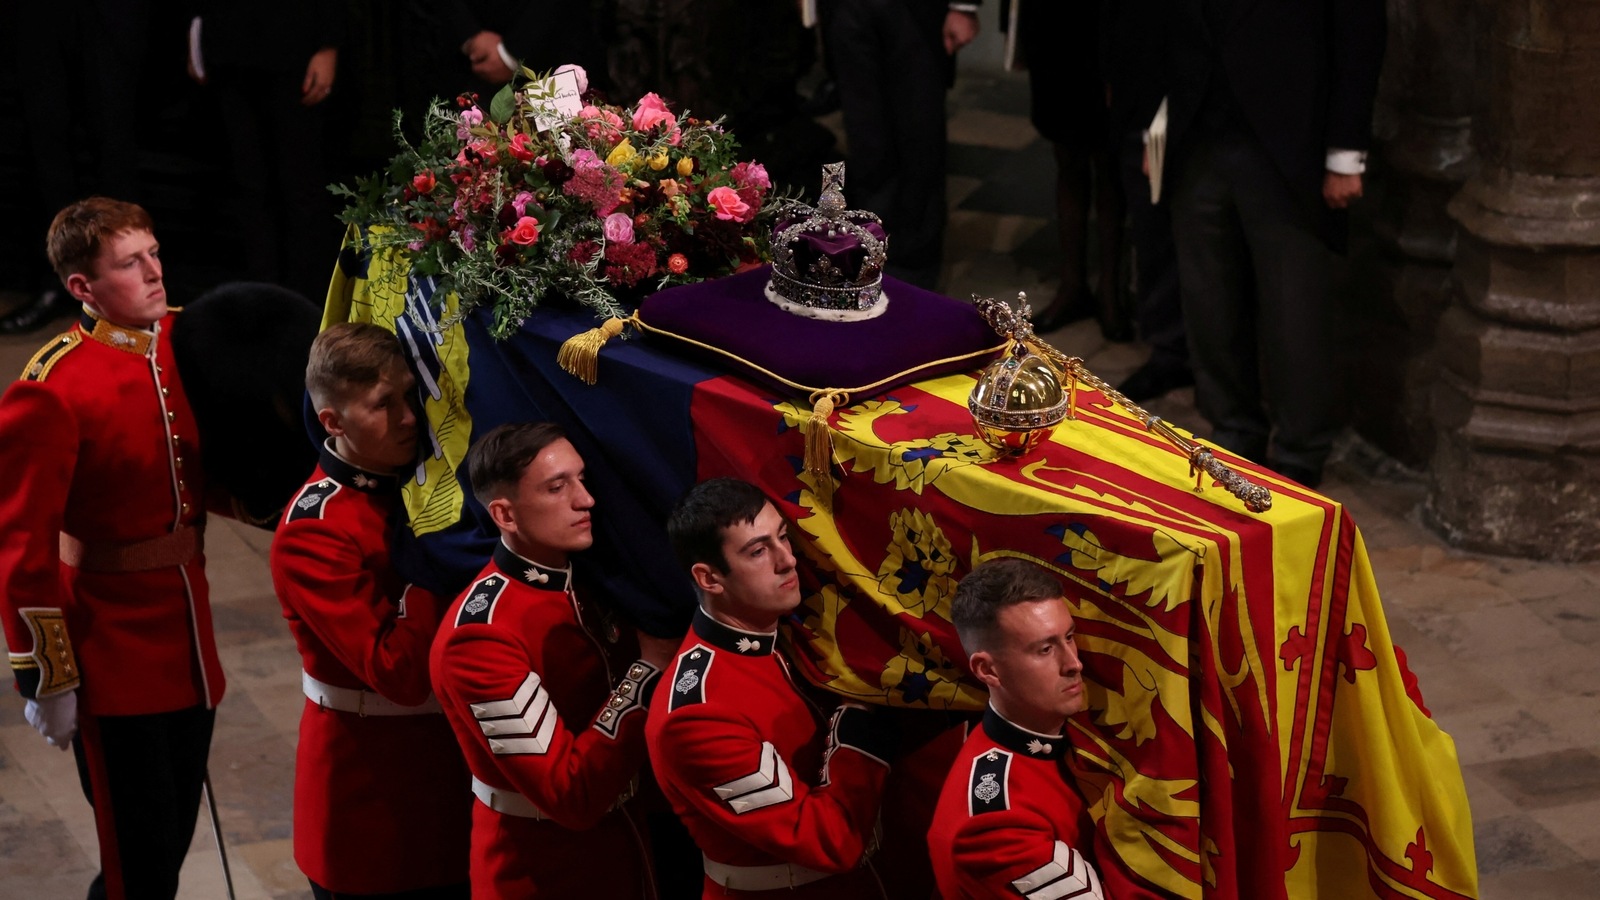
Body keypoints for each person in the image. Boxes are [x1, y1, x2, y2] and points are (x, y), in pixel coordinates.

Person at [0, 197, 225, 899]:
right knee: (139, 864)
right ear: (82, 288)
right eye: (130, 264)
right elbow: (20, 545)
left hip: (189, 635)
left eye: (154, 253)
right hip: (112, 651)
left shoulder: (184, 342)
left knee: (171, 841)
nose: (155, 272)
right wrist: (45, 672)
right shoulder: (54, 387)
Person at [429, 422, 676, 897]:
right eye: (557, 487)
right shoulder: (480, 638)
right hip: (544, 870)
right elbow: (570, 792)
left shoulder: (585, 576)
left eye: (581, 480)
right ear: (505, 513)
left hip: (626, 846)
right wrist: (646, 672)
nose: (585, 500)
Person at [268, 322, 471, 899]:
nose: (410, 418)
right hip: (375, 798)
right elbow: (399, 675)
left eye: (411, 395)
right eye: (384, 405)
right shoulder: (314, 533)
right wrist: (431, 564)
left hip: (446, 778)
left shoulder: (416, 479)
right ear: (333, 422)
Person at [1160, 0, 1386, 487]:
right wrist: (1149, 129)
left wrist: (1345, 154)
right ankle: (1233, 432)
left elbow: (1359, 31)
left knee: (1295, 311)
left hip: (1291, 146)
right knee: (1209, 301)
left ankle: (1299, 451)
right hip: (1193, 132)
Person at [648, 477, 894, 899]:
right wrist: (859, 720)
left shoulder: (786, 629)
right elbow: (827, 841)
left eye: (783, 537)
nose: (788, 561)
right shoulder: (696, 716)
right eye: (759, 551)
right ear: (709, 578)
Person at [928, 558, 1105, 900]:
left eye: (1070, 638)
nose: (1074, 663)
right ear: (988, 670)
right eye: (1045, 649)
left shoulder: (1071, 735)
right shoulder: (995, 826)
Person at [817, 0, 982, 288]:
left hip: (915, 13)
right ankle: (870, 257)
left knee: (918, 137)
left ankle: (914, 272)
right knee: (865, 139)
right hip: (847, 9)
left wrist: (964, 6)